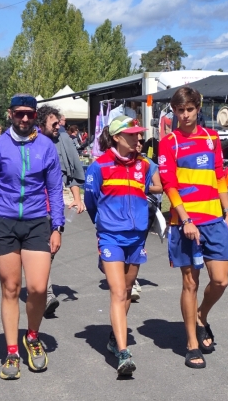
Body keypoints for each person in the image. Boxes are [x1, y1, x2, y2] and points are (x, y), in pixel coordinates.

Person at [0, 94, 64, 380]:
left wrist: (57, 225)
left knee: (36, 288)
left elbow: (56, 189)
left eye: (30, 115)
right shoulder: (0, 147)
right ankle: (12, 352)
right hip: (5, 223)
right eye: (20, 114)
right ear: (10, 114)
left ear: (36, 116)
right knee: (11, 288)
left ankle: (32, 337)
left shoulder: (47, 146)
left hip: (37, 223)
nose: (25, 119)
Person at [158, 87, 228, 369]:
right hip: (185, 223)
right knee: (190, 283)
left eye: (189, 109)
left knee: (221, 280)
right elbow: (169, 184)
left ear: (198, 108)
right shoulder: (169, 142)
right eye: (180, 110)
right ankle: (191, 342)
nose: (185, 115)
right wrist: (186, 219)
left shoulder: (211, 137)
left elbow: (219, 177)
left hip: (215, 219)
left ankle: (201, 315)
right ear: (174, 111)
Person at [84, 115, 156, 376]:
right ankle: (124, 354)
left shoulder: (144, 165)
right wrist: (102, 225)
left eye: (139, 133)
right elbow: (90, 201)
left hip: (137, 237)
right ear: (117, 137)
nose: (138, 137)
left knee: (126, 290)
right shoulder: (99, 166)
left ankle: (115, 339)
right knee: (117, 291)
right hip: (111, 237)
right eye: (133, 134)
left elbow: (160, 184)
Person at [37, 105, 86, 317]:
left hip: (56, 204)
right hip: (36, 206)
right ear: (41, 124)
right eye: (54, 124)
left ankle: (41, 288)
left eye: (59, 123)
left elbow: (72, 171)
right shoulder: (32, 142)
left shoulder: (62, 140)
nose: (59, 127)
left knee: (50, 250)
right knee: (42, 249)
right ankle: (45, 293)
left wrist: (77, 198)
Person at [131, 132, 163, 303]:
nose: (138, 144)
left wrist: (143, 187)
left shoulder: (149, 164)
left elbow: (159, 187)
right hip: (124, 207)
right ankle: (126, 278)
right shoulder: (122, 162)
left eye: (141, 141)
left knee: (138, 243)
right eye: (135, 140)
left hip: (145, 207)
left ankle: (132, 280)